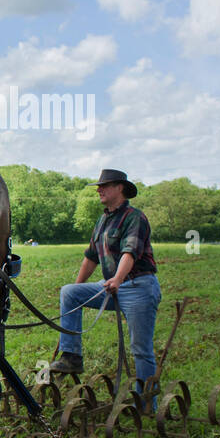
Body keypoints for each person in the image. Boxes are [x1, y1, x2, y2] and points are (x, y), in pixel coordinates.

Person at [49, 169, 161, 405]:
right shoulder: (102, 220)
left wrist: (118, 279)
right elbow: (90, 258)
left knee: (141, 348)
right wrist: (75, 291)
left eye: (104, 186)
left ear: (120, 188)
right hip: (111, 285)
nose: (99, 189)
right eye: (99, 186)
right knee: (69, 292)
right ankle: (72, 356)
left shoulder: (135, 217)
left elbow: (130, 252)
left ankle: (147, 404)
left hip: (138, 285)